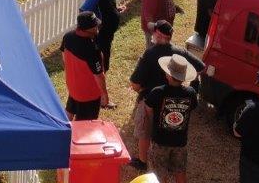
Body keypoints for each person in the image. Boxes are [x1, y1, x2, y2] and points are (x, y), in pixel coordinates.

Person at [128, 21, 204, 172]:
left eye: (154, 32)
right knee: (170, 130)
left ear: (158, 35)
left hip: (150, 100)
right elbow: (201, 68)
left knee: (145, 131)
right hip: (172, 102)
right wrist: (190, 84)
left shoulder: (149, 54)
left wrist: (143, 90)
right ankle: (170, 162)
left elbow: (135, 84)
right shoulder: (179, 52)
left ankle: (143, 162)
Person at [142, 54, 199, 182]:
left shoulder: (157, 92)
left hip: (160, 140)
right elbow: (192, 108)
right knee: (180, 171)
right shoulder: (191, 93)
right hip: (180, 141)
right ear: (183, 77)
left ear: (168, 75)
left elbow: (148, 110)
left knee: (159, 174)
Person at [60, 11, 110, 121]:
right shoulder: (92, 49)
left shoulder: (68, 37)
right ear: (87, 29)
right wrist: (104, 95)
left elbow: (64, 57)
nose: (97, 26)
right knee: (85, 126)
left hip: (73, 87)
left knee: (68, 113)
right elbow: (99, 76)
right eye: (95, 25)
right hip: (89, 95)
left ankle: (61, 131)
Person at [80, 0, 125, 73]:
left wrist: (116, 9)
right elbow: (84, 10)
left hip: (108, 31)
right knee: (102, 54)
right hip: (102, 32)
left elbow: (105, 6)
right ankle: (100, 74)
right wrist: (96, 24)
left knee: (105, 52)